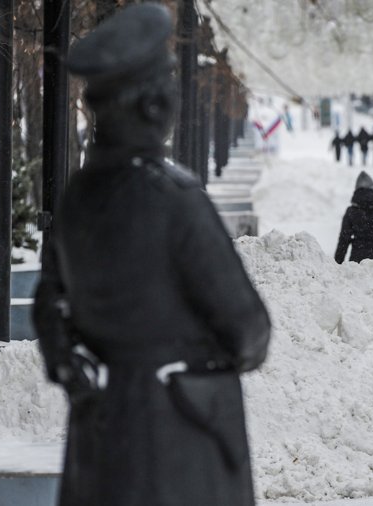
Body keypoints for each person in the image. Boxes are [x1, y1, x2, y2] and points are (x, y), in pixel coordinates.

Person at [31, 5, 271, 506]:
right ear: (152, 104)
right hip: (180, 446)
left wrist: (78, 365)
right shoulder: (175, 201)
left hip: (99, 443)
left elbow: (49, 303)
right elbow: (248, 328)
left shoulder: (78, 198)